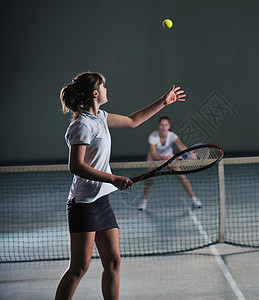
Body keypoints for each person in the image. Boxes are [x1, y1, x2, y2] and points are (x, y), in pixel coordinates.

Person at [55, 72, 186, 300]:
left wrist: (163, 102)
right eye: (103, 86)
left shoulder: (101, 117)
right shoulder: (81, 125)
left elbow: (133, 121)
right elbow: (75, 166)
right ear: (95, 93)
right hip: (83, 204)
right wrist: (113, 178)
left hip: (101, 202)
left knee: (114, 261)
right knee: (79, 267)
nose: (107, 89)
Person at [138, 116, 202, 211]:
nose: (164, 127)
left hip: (169, 159)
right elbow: (153, 155)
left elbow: (181, 146)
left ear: (169, 126)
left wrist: (189, 152)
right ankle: (144, 201)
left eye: (166, 125)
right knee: (149, 180)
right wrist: (166, 159)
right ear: (158, 126)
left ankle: (194, 199)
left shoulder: (172, 135)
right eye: (162, 125)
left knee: (182, 177)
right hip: (154, 160)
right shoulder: (153, 137)